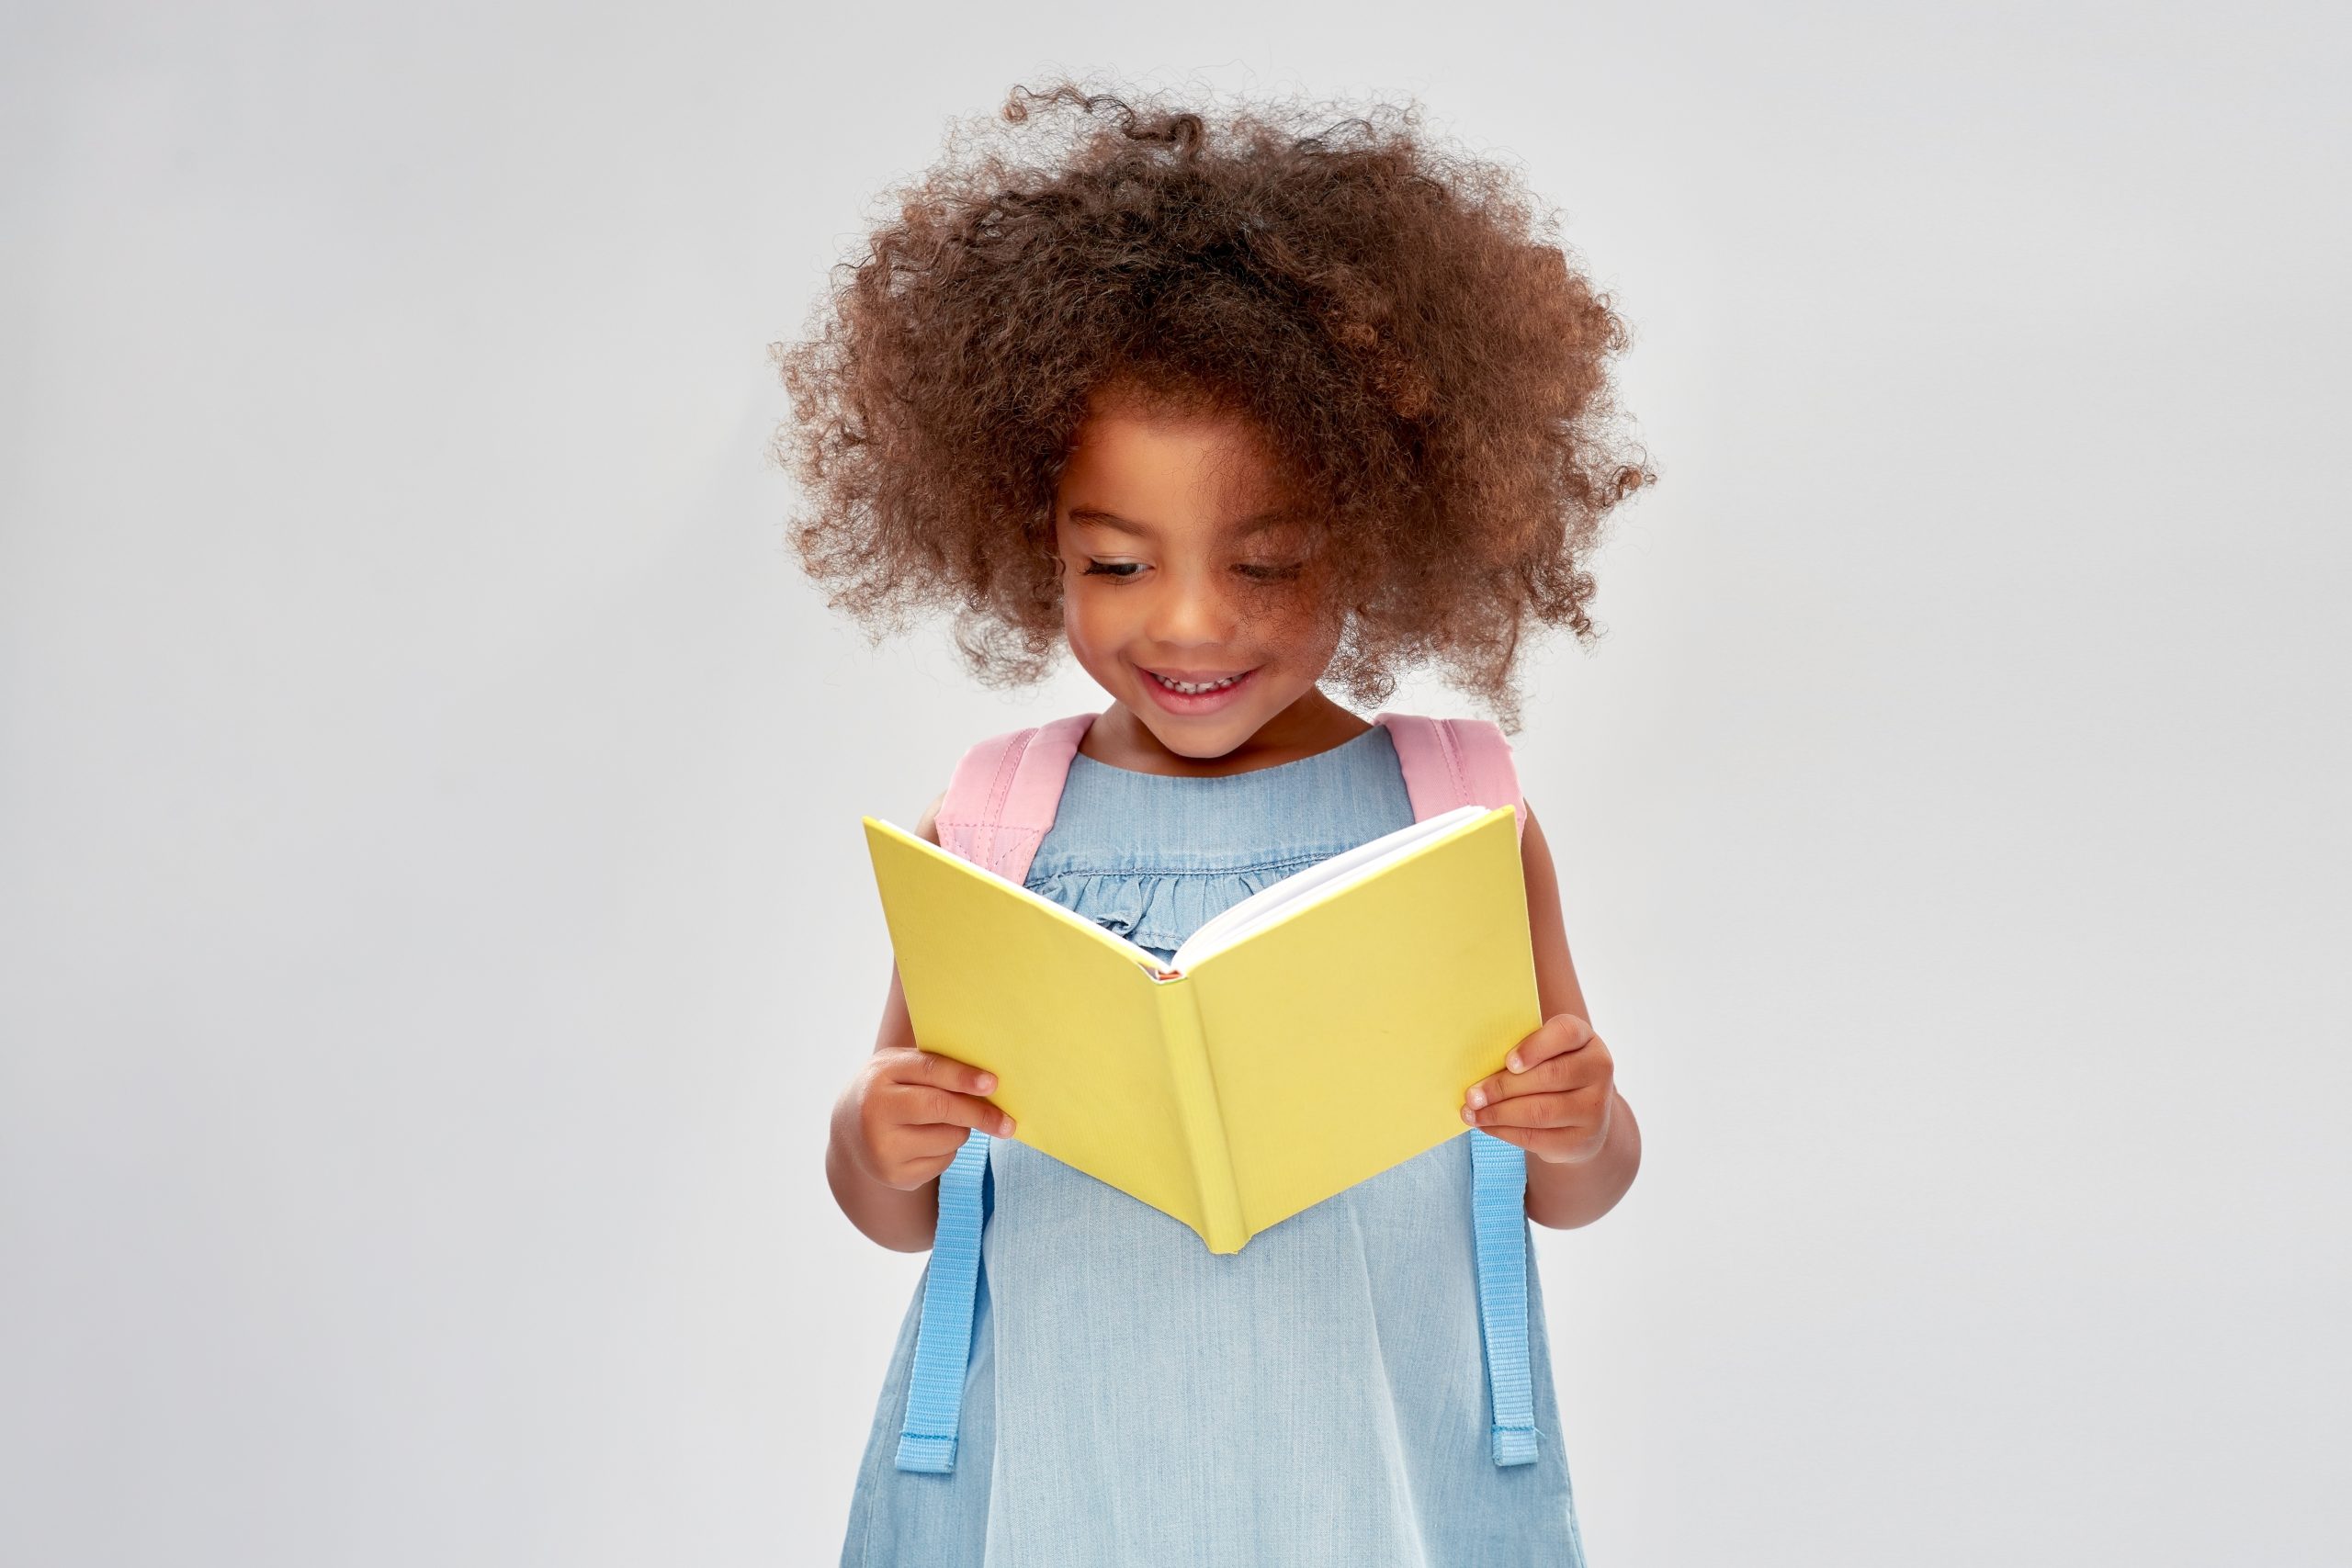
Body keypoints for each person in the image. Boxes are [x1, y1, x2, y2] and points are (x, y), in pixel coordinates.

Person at [772, 80, 1655, 1567]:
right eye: (1116, 563)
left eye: (1268, 562)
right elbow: (900, 1213)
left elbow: (1577, 1188)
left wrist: (1580, 1119)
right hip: (1050, 1474)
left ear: (1379, 533)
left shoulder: (1459, 814)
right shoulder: (993, 820)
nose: (1188, 623)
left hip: (1372, 1471)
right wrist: (874, 1135)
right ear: (1028, 531)